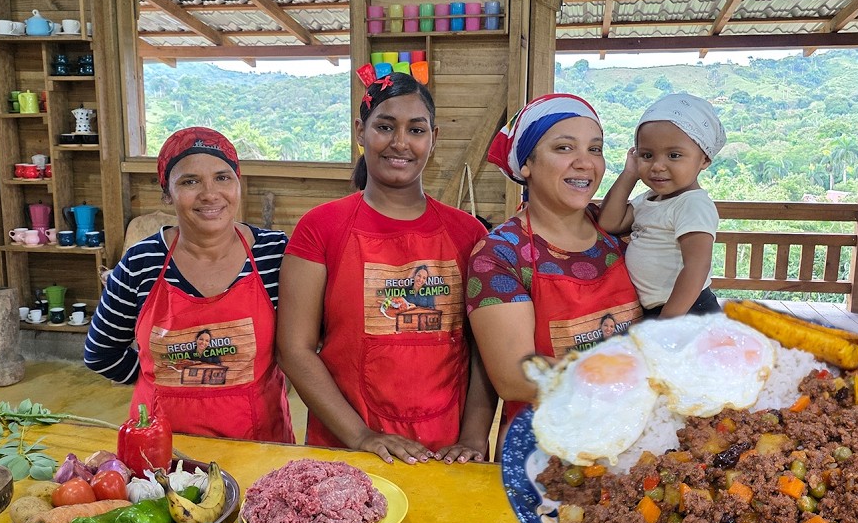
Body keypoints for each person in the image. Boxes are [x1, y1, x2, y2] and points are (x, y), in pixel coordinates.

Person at [278, 73, 496, 465]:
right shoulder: (320, 227)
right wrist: (360, 435)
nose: (400, 142)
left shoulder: (469, 233)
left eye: (416, 129)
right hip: (346, 448)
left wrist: (474, 436)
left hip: (446, 450)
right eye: (384, 126)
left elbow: (485, 350)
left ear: (434, 137)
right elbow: (295, 349)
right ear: (361, 131)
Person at [84, 127, 294, 443]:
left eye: (223, 177)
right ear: (167, 192)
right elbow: (100, 353)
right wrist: (158, 383)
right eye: (190, 182)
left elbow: (305, 343)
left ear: (238, 183)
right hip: (159, 445)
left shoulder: (275, 254)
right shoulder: (141, 262)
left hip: (257, 442)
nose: (210, 193)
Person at [466, 94, 643, 433]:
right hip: (546, 451)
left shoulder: (618, 231)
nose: (585, 162)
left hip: (634, 437)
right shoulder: (500, 254)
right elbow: (515, 376)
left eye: (595, 149)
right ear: (527, 163)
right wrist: (633, 378)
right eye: (564, 148)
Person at [598, 93, 724, 318]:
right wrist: (629, 174)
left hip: (687, 310)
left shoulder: (692, 204)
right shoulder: (648, 200)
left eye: (674, 155)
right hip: (658, 311)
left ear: (704, 159)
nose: (657, 166)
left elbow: (696, 267)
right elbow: (609, 222)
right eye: (647, 155)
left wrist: (666, 324)